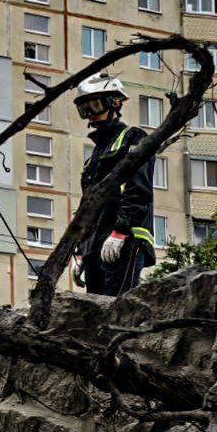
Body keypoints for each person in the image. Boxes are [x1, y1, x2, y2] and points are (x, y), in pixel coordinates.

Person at [73, 73, 156, 295]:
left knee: (118, 307)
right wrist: (80, 250)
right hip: (94, 246)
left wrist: (120, 231)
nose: (90, 114)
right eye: (83, 109)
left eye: (95, 105)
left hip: (125, 239)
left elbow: (138, 189)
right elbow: (87, 207)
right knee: (94, 310)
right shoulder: (94, 157)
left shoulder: (133, 137)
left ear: (115, 103)